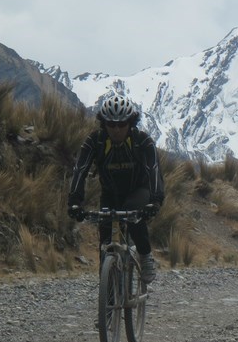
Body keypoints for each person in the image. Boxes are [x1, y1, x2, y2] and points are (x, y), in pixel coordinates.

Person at [67, 94, 165, 283]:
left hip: (140, 190)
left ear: (131, 123)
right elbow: (80, 169)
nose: (116, 129)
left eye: (122, 124)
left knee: (133, 214)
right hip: (110, 195)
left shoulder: (143, 141)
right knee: (105, 242)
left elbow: (154, 170)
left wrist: (155, 200)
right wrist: (74, 201)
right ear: (104, 124)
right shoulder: (95, 141)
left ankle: (145, 256)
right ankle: (108, 296)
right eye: (111, 124)